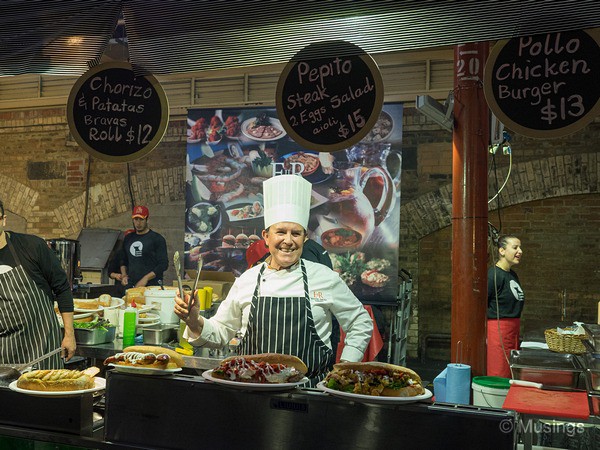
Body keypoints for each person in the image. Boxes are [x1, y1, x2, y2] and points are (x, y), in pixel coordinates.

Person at [175, 174, 373, 384]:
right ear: (266, 236)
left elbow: (360, 321)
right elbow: (221, 332)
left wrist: (344, 366)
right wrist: (194, 320)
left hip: (308, 394)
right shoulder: (247, 280)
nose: (288, 241)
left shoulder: (324, 277)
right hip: (252, 392)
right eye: (280, 232)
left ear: (305, 238)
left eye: (296, 233)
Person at [0, 199, 75, 368]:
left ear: (3, 219)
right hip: (5, 352)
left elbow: (62, 288)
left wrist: (69, 334)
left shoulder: (31, 246)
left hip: (42, 347)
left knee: (45, 391)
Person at [487, 234, 524, 378]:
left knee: (510, 370)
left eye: (520, 247)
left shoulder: (512, 275)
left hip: (513, 330)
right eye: (515, 247)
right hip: (498, 331)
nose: (520, 251)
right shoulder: (493, 275)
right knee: (499, 371)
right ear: (502, 251)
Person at [118, 206, 168, 289]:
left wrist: (146, 278)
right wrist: (124, 275)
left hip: (151, 286)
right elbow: (123, 260)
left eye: (141, 219)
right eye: (136, 219)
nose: (138, 223)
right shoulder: (128, 238)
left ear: (147, 220)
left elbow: (163, 264)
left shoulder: (157, 239)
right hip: (131, 285)